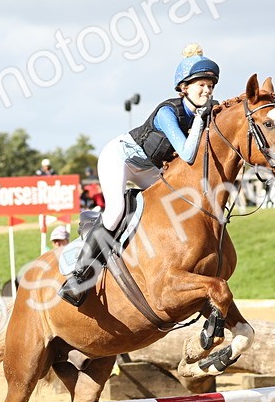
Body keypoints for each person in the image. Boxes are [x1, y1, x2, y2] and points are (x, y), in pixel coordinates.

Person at [59, 43, 219, 306]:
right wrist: (201, 120)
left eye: (210, 86)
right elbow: (188, 154)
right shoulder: (168, 112)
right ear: (184, 87)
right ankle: (80, 275)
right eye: (201, 84)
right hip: (120, 157)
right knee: (116, 211)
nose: (207, 90)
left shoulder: (205, 111)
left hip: (148, 168)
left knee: (173, 205)